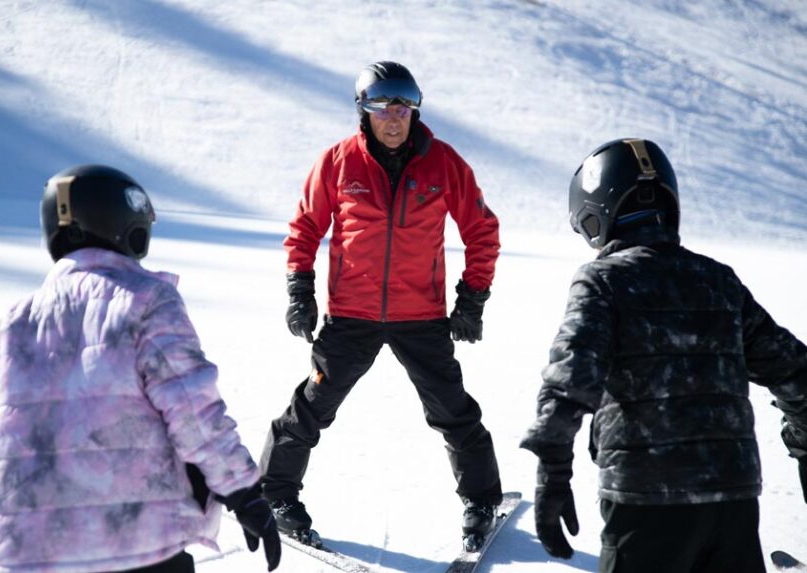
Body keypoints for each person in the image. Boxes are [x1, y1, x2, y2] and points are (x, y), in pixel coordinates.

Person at [0, 165, 281, 573]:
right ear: (124, 224)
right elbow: (192, 409)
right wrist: (242, 490)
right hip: (137, 543)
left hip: (31, 552)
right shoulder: (146, 301)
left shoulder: (14, 321)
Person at [520, 138, 807, 573]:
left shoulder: (603, 281)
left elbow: (570, 379)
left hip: (645, 503)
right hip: (734, 501)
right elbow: (795, 372)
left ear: (593, 215)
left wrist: (553, 474)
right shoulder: (719, 281)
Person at [259, 61, 503, 545]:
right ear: (363, 110)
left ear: (414, 110)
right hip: (352, 315)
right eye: (382, 107)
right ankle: (275, 492)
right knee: (311, 407)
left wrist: (472, 297)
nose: (393, 117)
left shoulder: (444, 163)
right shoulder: (338, 162)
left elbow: (481, 230)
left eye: (403, 106)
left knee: (453, 411)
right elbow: (305, 229)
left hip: (422, 316)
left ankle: (481, 500)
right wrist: (299, 292)